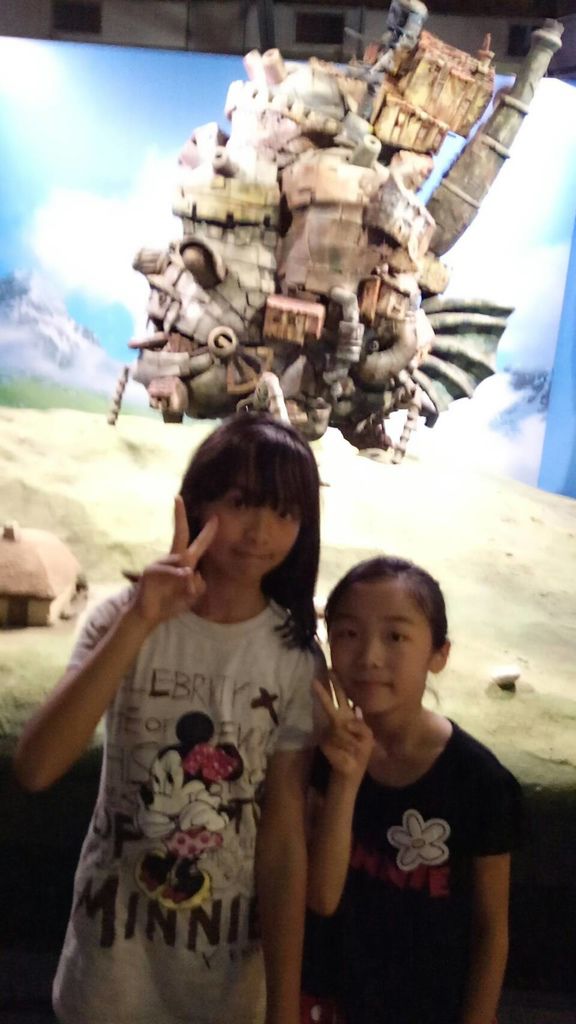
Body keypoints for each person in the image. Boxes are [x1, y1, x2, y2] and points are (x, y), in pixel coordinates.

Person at [14, 412, 322, 1024]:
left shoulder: (294, 658)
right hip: (109, 973)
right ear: (197, 500)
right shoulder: (120, 618)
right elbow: (36, 768)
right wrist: (141, 619)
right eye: (241, 502)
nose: (261, 531)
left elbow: (284, 840)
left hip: (226, 982)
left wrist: (284, 1007)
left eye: (285, 512)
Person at [302, 556, 525, 1024]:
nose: (369, 657)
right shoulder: (321, 756)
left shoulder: (479, 782)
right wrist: (346, 780)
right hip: (334, 1003)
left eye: (396, 636)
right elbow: (321, 897)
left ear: (439, 655)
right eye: (348, 633)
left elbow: (491, 929)